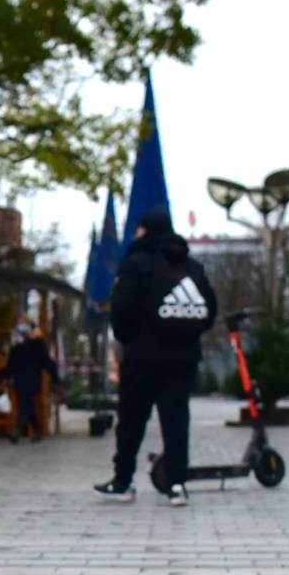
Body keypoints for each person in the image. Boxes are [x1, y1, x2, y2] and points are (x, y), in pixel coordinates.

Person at [97, 210, 216, 506]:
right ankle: (177, 484)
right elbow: (209, 309)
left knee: (132, 420)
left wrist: (129, 340)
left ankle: (123, 481)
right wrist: (188, 336)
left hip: (143, 357)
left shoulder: (136, 264)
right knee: (176, 419)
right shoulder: (192, 266)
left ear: (145, 231)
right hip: (183, 357)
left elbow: (121, 308)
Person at [3, 322, 60, 442]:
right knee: (28, 405)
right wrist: (7, 377)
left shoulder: (37, 345)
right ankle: (37, 430)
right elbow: (10, 363)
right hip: (19, 380)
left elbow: (46, 361)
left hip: (32, 379)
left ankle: (17, 430)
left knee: (25, 404)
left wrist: (55, 378)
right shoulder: (16, 347)